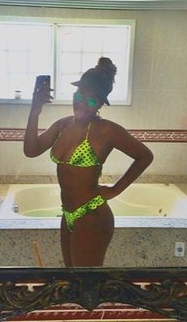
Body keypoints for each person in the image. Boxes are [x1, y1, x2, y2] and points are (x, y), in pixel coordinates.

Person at [24, 57, 154, 267]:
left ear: (100, 104)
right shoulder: (62, 125)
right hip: (68, 213)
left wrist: (115, 190)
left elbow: (145, 156)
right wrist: (34, 110)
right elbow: (31, 150)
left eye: (91, 101)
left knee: (86, 282)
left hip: (92, 216)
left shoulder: (106, 130)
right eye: (79, 95)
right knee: (72, 278)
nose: (82, 104)